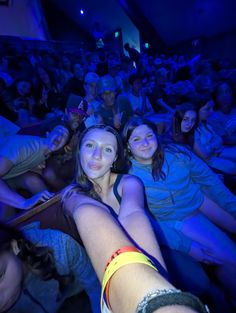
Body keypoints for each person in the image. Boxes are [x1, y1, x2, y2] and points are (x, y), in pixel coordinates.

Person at [62, 125, 208, 313]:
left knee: (202, 285)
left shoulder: (129, 183)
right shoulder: (72, 194)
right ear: (79, 149)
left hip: (155, 251)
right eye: (90, 145)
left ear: (115, 157)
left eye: (107, 149)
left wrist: (153, 283)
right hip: (105, 271)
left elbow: (132, 215)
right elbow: (81, 207)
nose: (97, 155)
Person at [123, 116, 236, 306]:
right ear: (127, 146)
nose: (145, 143)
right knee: (229, 256)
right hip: (178, 219)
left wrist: (232, 206)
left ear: (156, 136)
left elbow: (209, 181)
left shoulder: (177, 154)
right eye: (136, 139)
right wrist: (186, 246)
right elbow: (146, 220)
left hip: (199, 200)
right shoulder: (130, 177)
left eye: (149, 135)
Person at [0, 221, 101, 313]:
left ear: (15, 247)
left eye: (0, 275)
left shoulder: (60, 246)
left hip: (79, 299)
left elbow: (95, 286)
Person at [0, 125, 69, 217]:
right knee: (6, 209)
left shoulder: (45, 153)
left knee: (33, 181)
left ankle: (57, 214)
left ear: (64, 145)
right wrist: (24, 203)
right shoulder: (24, 146)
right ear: (48, 134)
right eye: (58, 131)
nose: (60, 136)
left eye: (64, 136)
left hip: (7, 176)